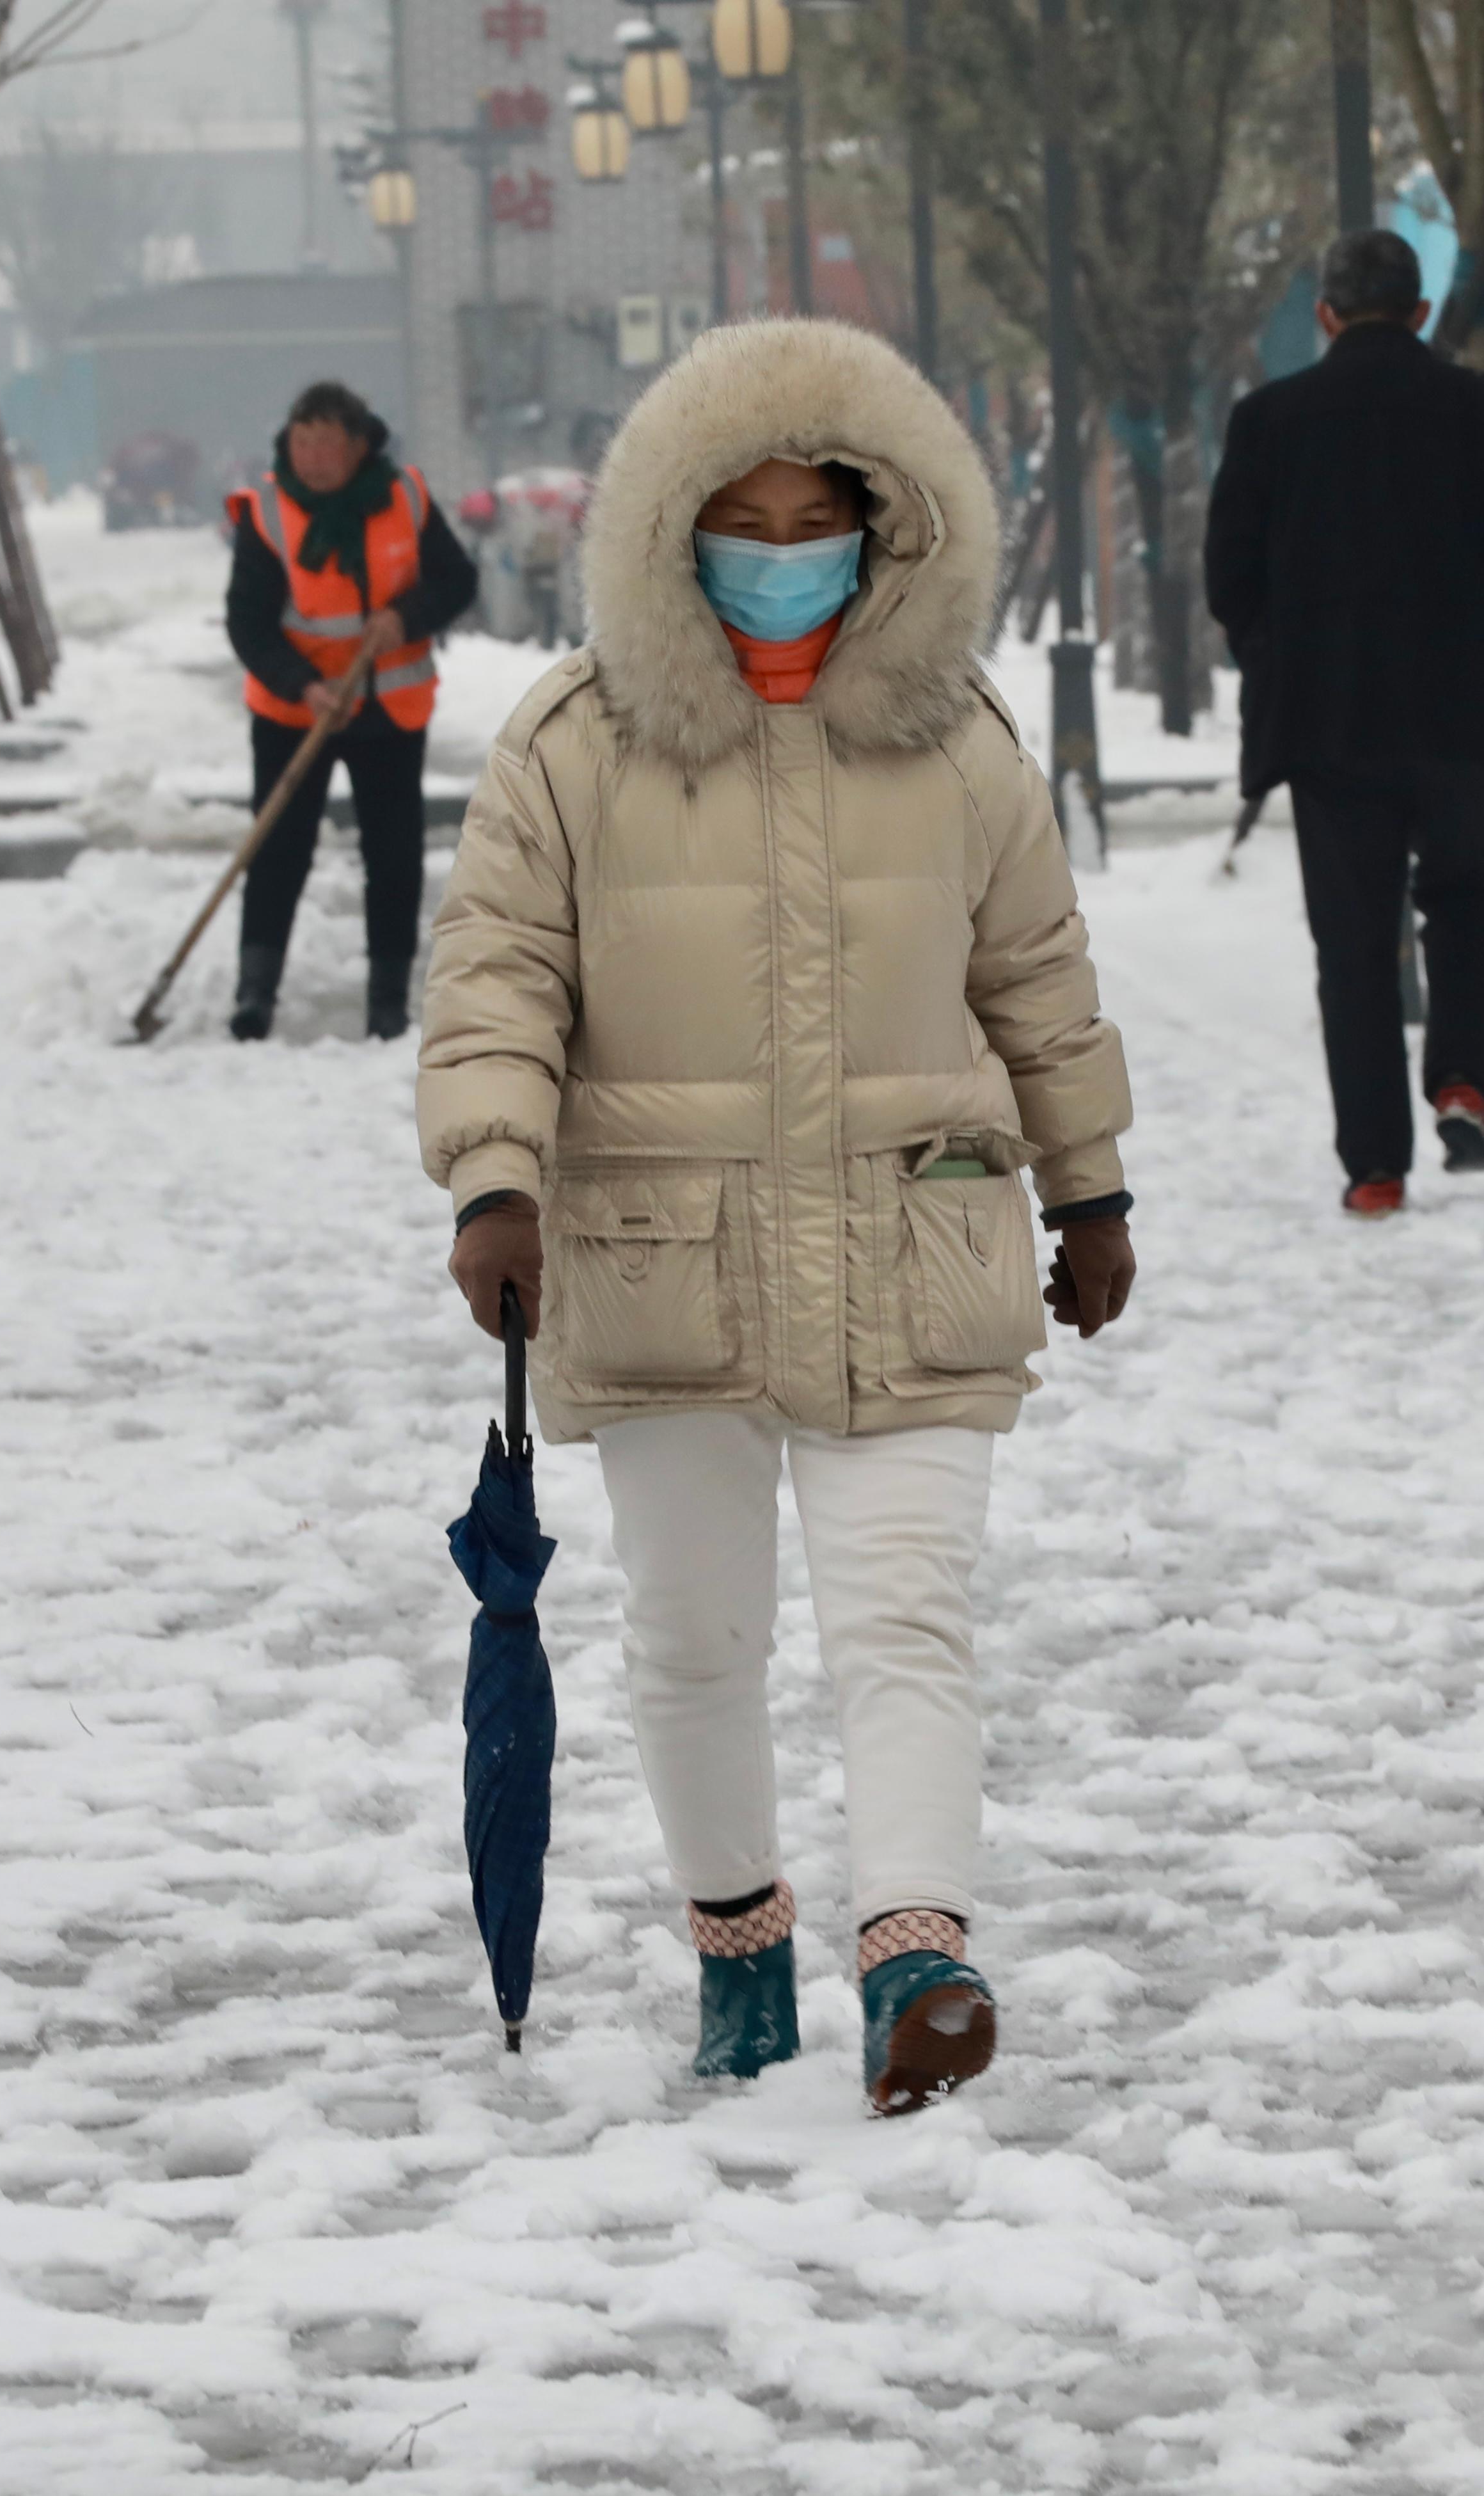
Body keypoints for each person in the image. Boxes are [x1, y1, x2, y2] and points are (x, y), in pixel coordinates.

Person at [417, 321, 1137, 2117]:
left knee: (908, 1620)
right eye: (743, 511)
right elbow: (497, 975)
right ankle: (740, 1951)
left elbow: (1037, 972)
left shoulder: (956, 740)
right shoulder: (577, 745)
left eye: (818, 509)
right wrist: (492, 1176)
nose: (783, 540)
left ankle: (920, 1954)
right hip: (664, 1265)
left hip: (917, 1246)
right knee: (695, 1635)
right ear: (676, 528)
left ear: (887, 527)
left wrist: (1093, 1183)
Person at [1205, 227, 1484, 1214]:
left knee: (1352, 940)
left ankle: (1374, 1165)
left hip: (1327, 725)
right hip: (1459, 714)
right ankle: (1459, 1078)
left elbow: (1228, 581)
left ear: (1324, 314)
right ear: (1420, 313)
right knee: (1460, 899)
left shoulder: (1267, 422)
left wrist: (1282, 660)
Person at [222, 379, 481, 1040]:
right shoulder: (269, 513)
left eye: (326, 444)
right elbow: (247, 622)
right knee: (278, 847)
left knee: (392, 855)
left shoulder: (406, 499)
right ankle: (255, 993)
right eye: (301, 442)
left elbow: (457, 580)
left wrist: (407, 616)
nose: (311, 458)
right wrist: (302, 685)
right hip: (295, 711)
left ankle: (388, 1001)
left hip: (387, 709)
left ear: (359, 445)